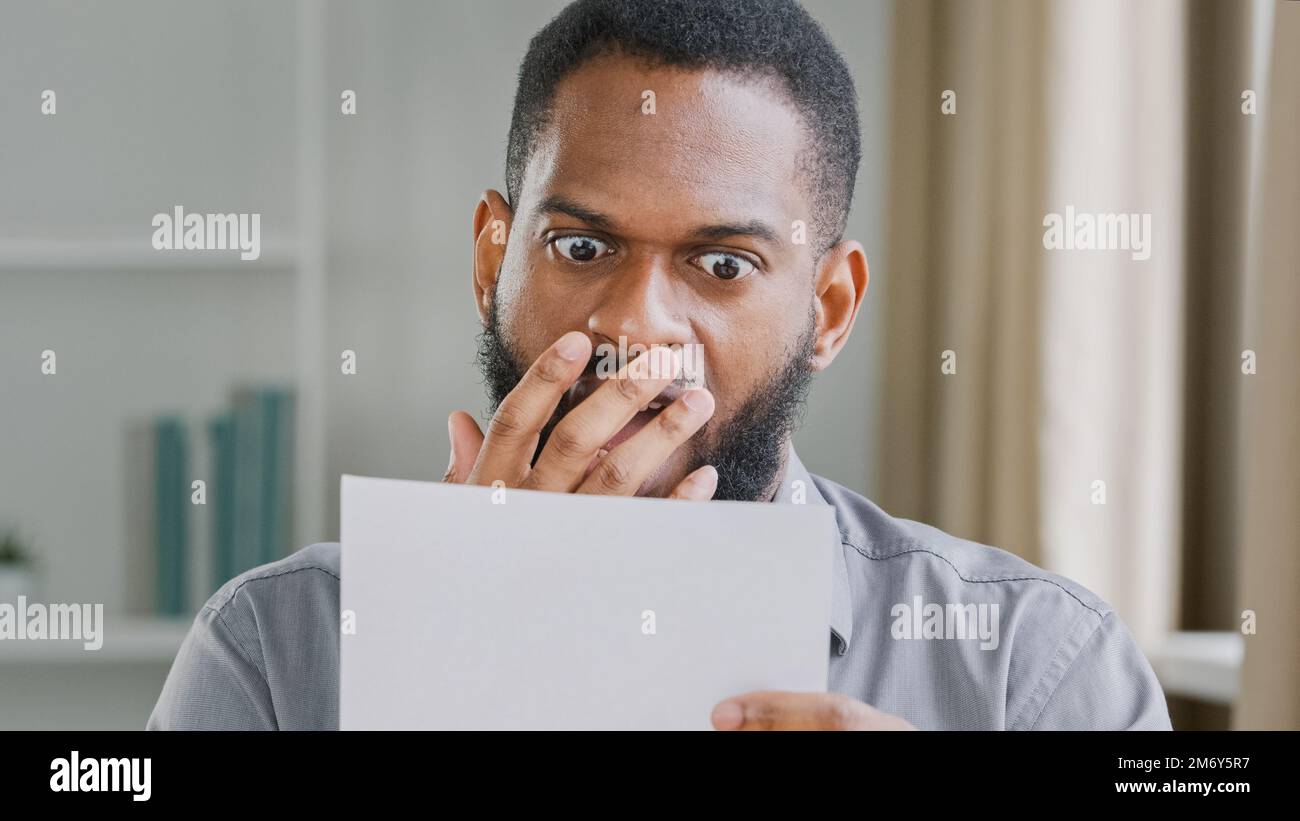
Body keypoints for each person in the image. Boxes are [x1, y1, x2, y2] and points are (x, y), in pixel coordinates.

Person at [149, 0, 1171, 731]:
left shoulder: (1035, 666)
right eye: (583, 248)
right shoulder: (274, 650)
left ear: (828, 309)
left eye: (722, 264)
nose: (637, 324)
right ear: (491, 260)